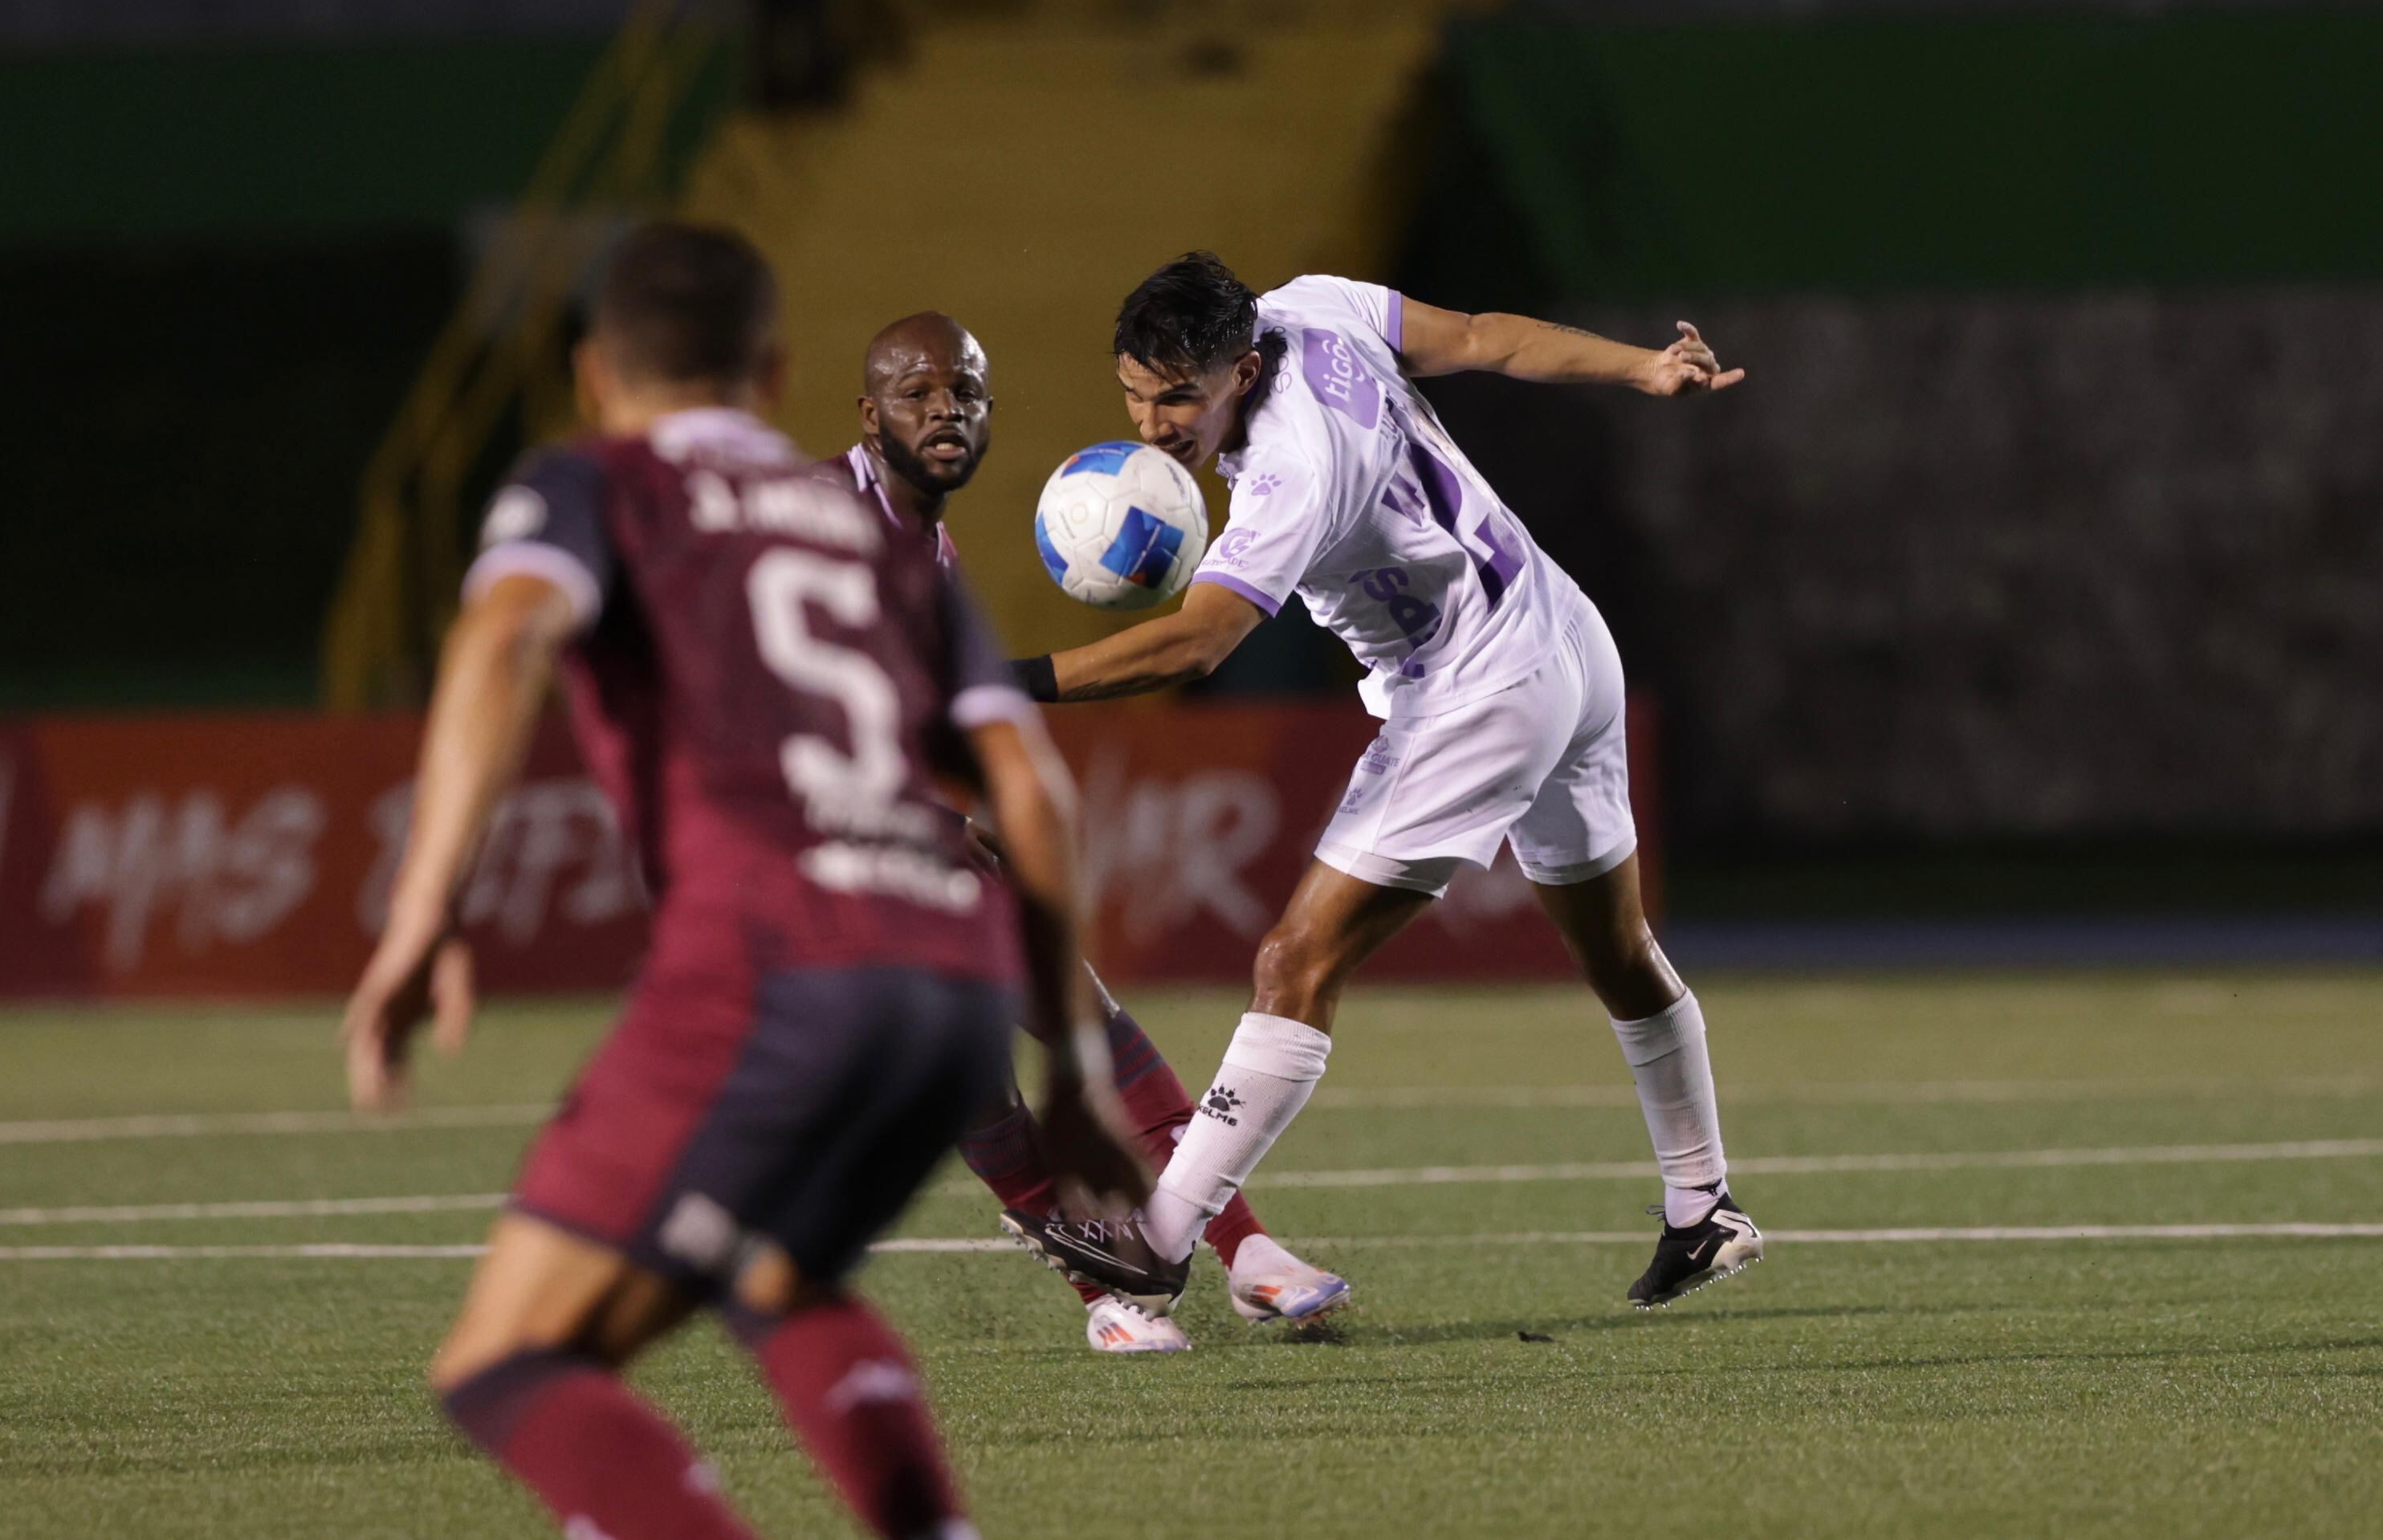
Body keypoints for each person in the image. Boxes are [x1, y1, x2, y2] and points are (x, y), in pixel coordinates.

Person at [341, 221, 1148, 1540]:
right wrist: (1074, 1066)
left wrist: (423, 913)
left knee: (504, 1362)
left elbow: (500, 642)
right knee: (779, 1276)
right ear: (773, 379)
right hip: (949, 986)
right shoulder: (890, 549)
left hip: (775, 967)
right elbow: (1035, 795)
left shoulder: (593, 482)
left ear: (597, 376)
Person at [1000, 253, 1762, 1314]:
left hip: (1475, 692)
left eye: (1181, 397)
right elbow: (1490, 333)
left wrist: (1001, 683)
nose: (1155, 422)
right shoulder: (1316, 305)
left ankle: (1160, 1238)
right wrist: (1640, 368)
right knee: (1621, 954)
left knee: (1295, 961)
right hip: (1565, 639)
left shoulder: (1290, 471)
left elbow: (1196, 647)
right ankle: (1702, 1204)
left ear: (1246, 370)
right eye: (1134, 392)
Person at [837, 309, 1350, 1351]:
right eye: (918, 393)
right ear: (870, 412)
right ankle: (1109, 1300)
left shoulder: (918, 533)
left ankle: (1245, 1253)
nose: (946, 411)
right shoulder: (821, 521)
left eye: (967, 394)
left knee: (1082, 1015)